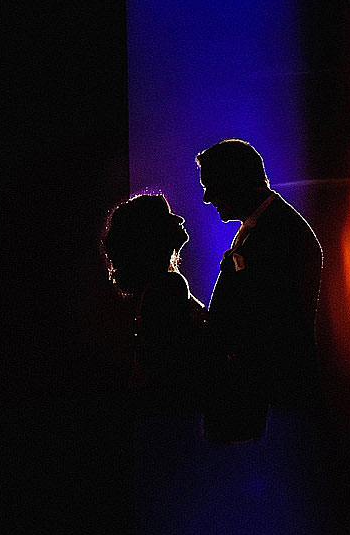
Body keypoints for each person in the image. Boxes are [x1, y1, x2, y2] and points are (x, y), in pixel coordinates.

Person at [195, 139, 322, 444]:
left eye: (212, 187)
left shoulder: (279, 232)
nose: (207, 198)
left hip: (263, 404)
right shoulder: (268, 225)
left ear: (236, 181)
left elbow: (266, 324)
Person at [100, 191, 207, 419]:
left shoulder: (153, 287)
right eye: (168, 215)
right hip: (174, 414)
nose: (180, 219)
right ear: (152, 232)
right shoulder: (169, 285)